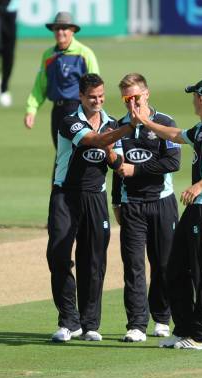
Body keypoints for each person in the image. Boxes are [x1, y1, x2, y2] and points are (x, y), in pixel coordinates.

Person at [130, 78, 202, 350]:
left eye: (194, 96)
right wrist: (145, 121)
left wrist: (200, 185)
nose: (192, 100)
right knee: (174, 267)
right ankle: (185, 329)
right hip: (198, 208)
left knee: (201, 270)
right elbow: (176, 135)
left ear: (201, 99)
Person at [47, 73, 136, 343]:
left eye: (101, 96)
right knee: (59, 255)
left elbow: (118, 163)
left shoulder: (111, 123)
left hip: (96, 197)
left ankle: (89, 324)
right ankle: (68, 321)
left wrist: (114, 148)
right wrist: (131, 126)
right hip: (66, 195)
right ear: (81, 97)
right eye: (92, 97)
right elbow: (93, 141)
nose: (97, 101)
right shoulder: (70, 121)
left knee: (94, 260)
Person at [110, 73, 181, 343]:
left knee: (162, 264)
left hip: (162, 202)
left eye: (136, 97)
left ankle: (162, 318)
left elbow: (173, 162)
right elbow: (117, 169)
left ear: (147, 94)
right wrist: (117, 200)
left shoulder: (165, 123)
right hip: (131, 205)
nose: (132, 103)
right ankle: (137, 324)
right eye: (127, 99)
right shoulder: (120, 126)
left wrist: (136, 169)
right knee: (133, 266)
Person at [24, 12, 99, 149]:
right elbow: (40, 86)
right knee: (61, 154)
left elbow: (95, 87)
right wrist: (31, 109)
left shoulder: (84, 53)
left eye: (64, 28)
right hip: (57, 111)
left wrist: (93, 114)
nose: (60, 31)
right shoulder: (48, 55)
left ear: (72, 30)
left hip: (78, 110)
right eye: (57, 28)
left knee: (75, 154)